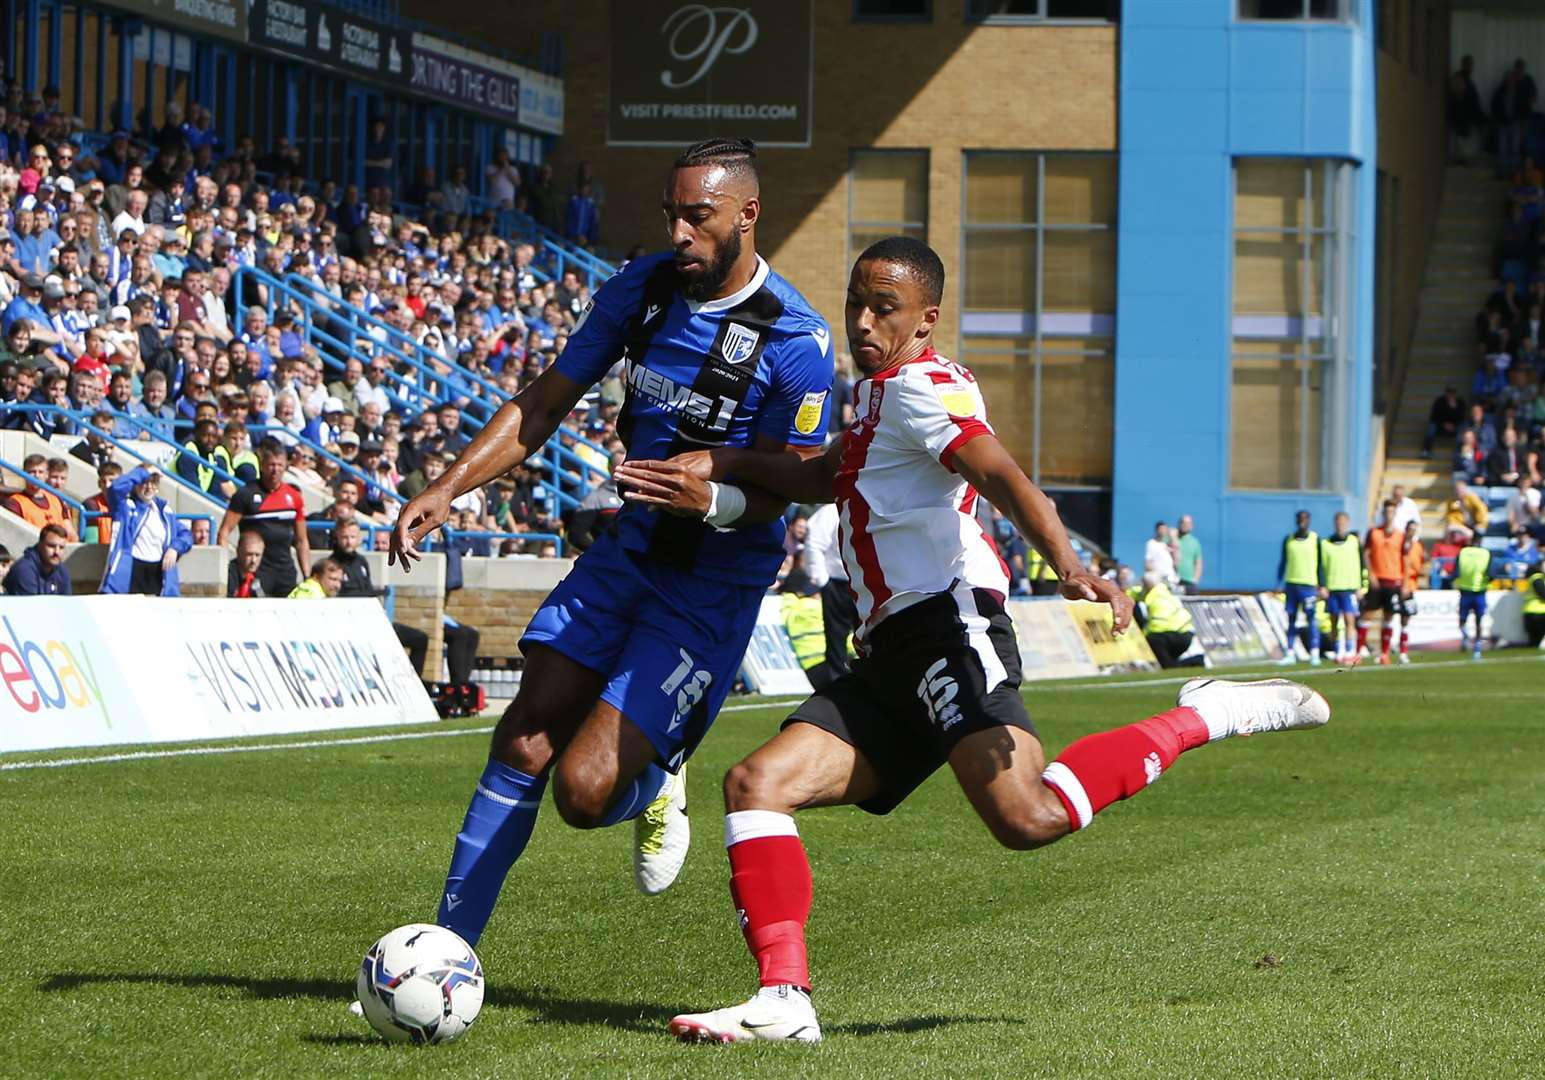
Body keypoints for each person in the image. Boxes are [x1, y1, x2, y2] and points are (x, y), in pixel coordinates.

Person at [614, 237, 1329, 1043]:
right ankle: (783, 1000)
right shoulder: (878, 397)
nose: (860, 320)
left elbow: (1001, 475)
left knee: (1028, 817)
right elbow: (820, 479)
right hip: (891, 651)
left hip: (948, 626)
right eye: (855, 302)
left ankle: (1205, 715)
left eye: (882, 307)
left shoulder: (924, 388)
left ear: (926, 320)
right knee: (756, 783)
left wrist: (1067, 563)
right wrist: (716, 465)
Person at [386, 137, 836, 956]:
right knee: (522, 736)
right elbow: (548, 395)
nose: (680, 234)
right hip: (626, 551)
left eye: (697, 218)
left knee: (583, 793)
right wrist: (450, 487)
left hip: (711, 582)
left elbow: (808, 482)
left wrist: (718, 493)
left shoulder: (795, 342)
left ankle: (656, 782)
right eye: (672, 216)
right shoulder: (643, 288)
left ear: (747, 214)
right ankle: (446, 952)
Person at [331, 517, 430, 677]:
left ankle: (413, 685)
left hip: (371, 621)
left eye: (352, 537)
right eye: (344, 537)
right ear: (337, 537)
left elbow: (368, 591)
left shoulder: (361, 561)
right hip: (351, 626)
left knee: (420, 639)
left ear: (359, 539)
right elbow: (339, 597)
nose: (349, 542)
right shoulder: (332, 565)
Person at [217, 437, 309, 597]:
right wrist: (227, 571)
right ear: (262, 466)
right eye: (271, 465)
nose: (275, 470)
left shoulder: (294, 497)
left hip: (285, 571)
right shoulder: (246, 494)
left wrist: (307, 575)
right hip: (255, 570)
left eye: (280, 465)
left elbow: (301, 541)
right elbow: (224, 532)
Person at [98, 466, 191, 596]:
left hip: (159, 571)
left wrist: (174, 548)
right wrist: (143, 472)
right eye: (144, 483)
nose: (149, 487)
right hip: (132, 570)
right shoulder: (125, 507)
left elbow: (186, 534)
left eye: (153, 483)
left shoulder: (164, 511)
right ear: (136, 484)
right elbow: (116, 488)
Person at [800, 501, 855, 688]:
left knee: (869, 637)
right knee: (836, 636)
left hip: (863, 582)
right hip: (837, 583)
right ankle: (838, 682)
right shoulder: (830, 511)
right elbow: (814, 544)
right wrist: (822, 580)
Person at [1358, 502, 1405, 666]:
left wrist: (1403, 580)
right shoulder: (1374, 533)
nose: (1388, 515)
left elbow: (1403, 557)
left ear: (1395, 514)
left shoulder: (1400, 535)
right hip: (1377, 580)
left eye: (1391, 512)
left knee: (1389, 617)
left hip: (1393, 580)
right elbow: (1366, 554)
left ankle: (1384, 653)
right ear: (1383, 514)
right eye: (1386, 512)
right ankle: (1358, 653)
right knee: (1367, 615)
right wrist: (1370, 574)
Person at [1128, 572, 1200, 668]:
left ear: (1146, 585)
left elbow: (1133, 593)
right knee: (1170, 662)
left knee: (1167, 664)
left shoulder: (1151, 595)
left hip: (1165, 635)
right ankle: (1195, 660)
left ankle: (1197, 660)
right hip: (1186, 633)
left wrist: (1143, 634)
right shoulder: (1164, 590)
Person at [1276, 510, 1321, 665]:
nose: (1302, 522)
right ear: (1296, 521)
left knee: (1311, 619)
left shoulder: (1315, 539)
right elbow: (1283, 562)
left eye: (1305, 519)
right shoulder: (1288, 540)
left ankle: (1315, 653)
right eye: (1300, 519)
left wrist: (1322, 584)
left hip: (1308, 585)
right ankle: (1290, 653)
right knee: (1291, 619)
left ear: (1309, 521)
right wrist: (1279, 583)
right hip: (1291, 584)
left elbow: (1321, 564)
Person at [1318, 511, 1363, 666]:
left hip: (1349, 587)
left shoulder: (1354, 541)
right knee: (1334, 621)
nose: (1340, 525)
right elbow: (1321, 567)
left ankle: (1350, 652)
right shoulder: (1325, 544)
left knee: (1350, 620)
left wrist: (1361, 586)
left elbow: (1361, 563)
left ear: (1348, 523)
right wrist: (1322, 585)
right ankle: (1338, 651)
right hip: (1333, 588)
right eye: (1338, 522)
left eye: (1343, 522)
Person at [3, 523, 71, 595]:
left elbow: (66, 603)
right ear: (40, 545)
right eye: (51, 546)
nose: (56, 552)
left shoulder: (62, 571)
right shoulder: (24, 570)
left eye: (61, 547)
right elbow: (29, 605)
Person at [1453, 531, 1491, 660]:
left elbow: (1456, 571)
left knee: (1462, 620)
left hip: (1465, 590)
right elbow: (1492, 573)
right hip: (1480, 591)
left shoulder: (1463, 552)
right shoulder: (1486, 553)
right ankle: (1477, 649)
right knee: (1479, 621)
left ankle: (1465, 636)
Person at [1397, 520, 1425, 665]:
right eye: (1410, 529)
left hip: (1410, 587)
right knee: (1388, 617)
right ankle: (1384, 652)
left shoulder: (1417, 547)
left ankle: (1403, 651)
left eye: (1414, 529)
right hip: (1396, 585)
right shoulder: (1399, 545)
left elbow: (1419, 567)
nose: (1412, 532)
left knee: (1406, 619)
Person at [1422, 388, 1466, 457]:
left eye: (1453, 393)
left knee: (1462, 429)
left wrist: (1454, 409)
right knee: (1431, 428)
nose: (1451, 395)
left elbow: (1461, 418)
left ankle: (1459, 452)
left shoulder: (1460, 403)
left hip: (1455, 426)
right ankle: (1426, 451)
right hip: (1440, 425)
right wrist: (1444, 424)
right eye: (1449, 393)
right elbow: (1434, 416)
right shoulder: (1439, 401)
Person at [227, 531, 268, 597]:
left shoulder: (265, 577)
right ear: (238, 552)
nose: (253, 560)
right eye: (249, 554)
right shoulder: (227, 575)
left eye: (257, 555)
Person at [1144, 521, 1178, 588]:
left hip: (1170, 578)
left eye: (1164, 529)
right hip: (1158, 579)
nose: (1162, 531)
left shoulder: (1169, 544)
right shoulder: (1151, 543)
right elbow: (1148, 563)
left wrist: (1173, 538)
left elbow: (1176, 561)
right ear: (1156, 530)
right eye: (1161, 529)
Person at [1174, 514, 1202, 594]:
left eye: (1188, 523)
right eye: (1183, 523)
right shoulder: (1172, 539)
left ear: (1191, 526)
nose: (1185, 525)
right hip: (1174, 581)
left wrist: (1196, 579)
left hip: (1189, 581)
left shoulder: (1194, 542)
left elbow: (1198, 563)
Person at [1522, 567, 1545, 648]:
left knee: (1534, 642)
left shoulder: (1535, 578)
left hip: (1532, 611)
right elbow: (1543, 593)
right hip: (1538, 613)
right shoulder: (1537, 578)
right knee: (1535, 642)